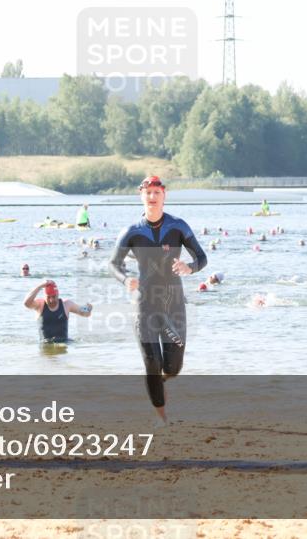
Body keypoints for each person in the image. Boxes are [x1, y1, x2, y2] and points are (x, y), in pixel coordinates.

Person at [110, 175, 207, 426]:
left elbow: (202, 258)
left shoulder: (178, 227)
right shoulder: (131, 231)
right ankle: (162, 417)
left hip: (173, 304)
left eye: (157, 192)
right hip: (145, 306)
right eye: (148, 193)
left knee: (173, 367)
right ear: (141, 196)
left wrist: (190, 268)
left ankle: (162, 381)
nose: (152, 197)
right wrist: (125, 280)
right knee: (152, 362)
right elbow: (113, 264)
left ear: (164, 195)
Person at [23, 280, 91, 343]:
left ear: (58, 294)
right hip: (46, 347)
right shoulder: (40, 305)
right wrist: (40, 286)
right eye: (48, 297)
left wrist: (89, 309)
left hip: (64, 345)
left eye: (54, 296)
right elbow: (26, 303)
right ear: (44, 296)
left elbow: (85, 313)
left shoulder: (67, 304)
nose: (51, 300)